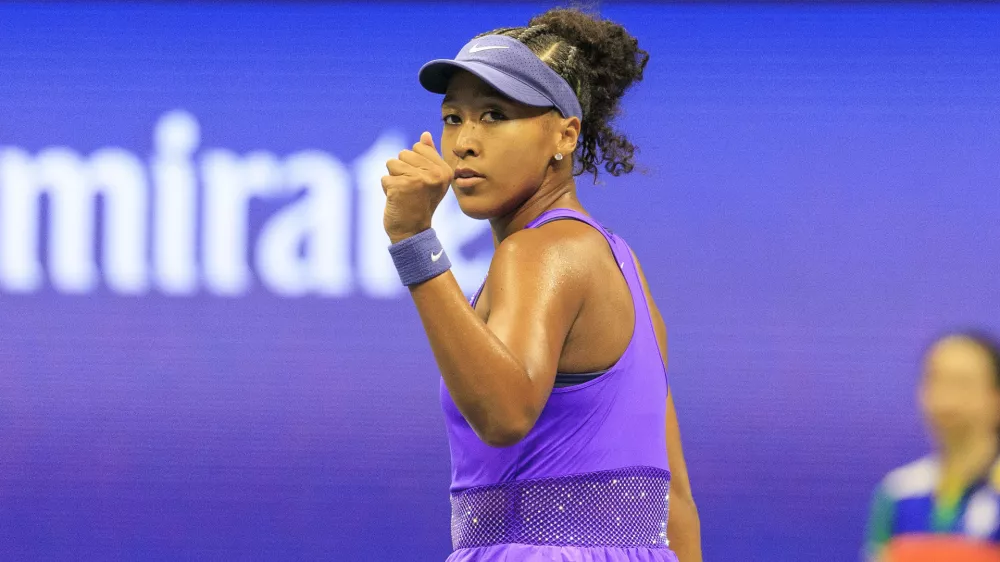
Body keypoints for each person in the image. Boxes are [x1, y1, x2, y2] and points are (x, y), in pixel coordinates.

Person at [380, 8, 701, 561]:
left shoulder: (538, 251)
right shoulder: (618, 262)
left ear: (565, 134)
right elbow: (672, 499)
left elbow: (505, 415)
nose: (464, 143)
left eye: (495, 115)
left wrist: (413, 240)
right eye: (454, 117)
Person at [865, 331, 1000, 562]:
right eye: (935, 380)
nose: (946, 400)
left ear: (995, 398)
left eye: (962, 383)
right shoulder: (897, 491)